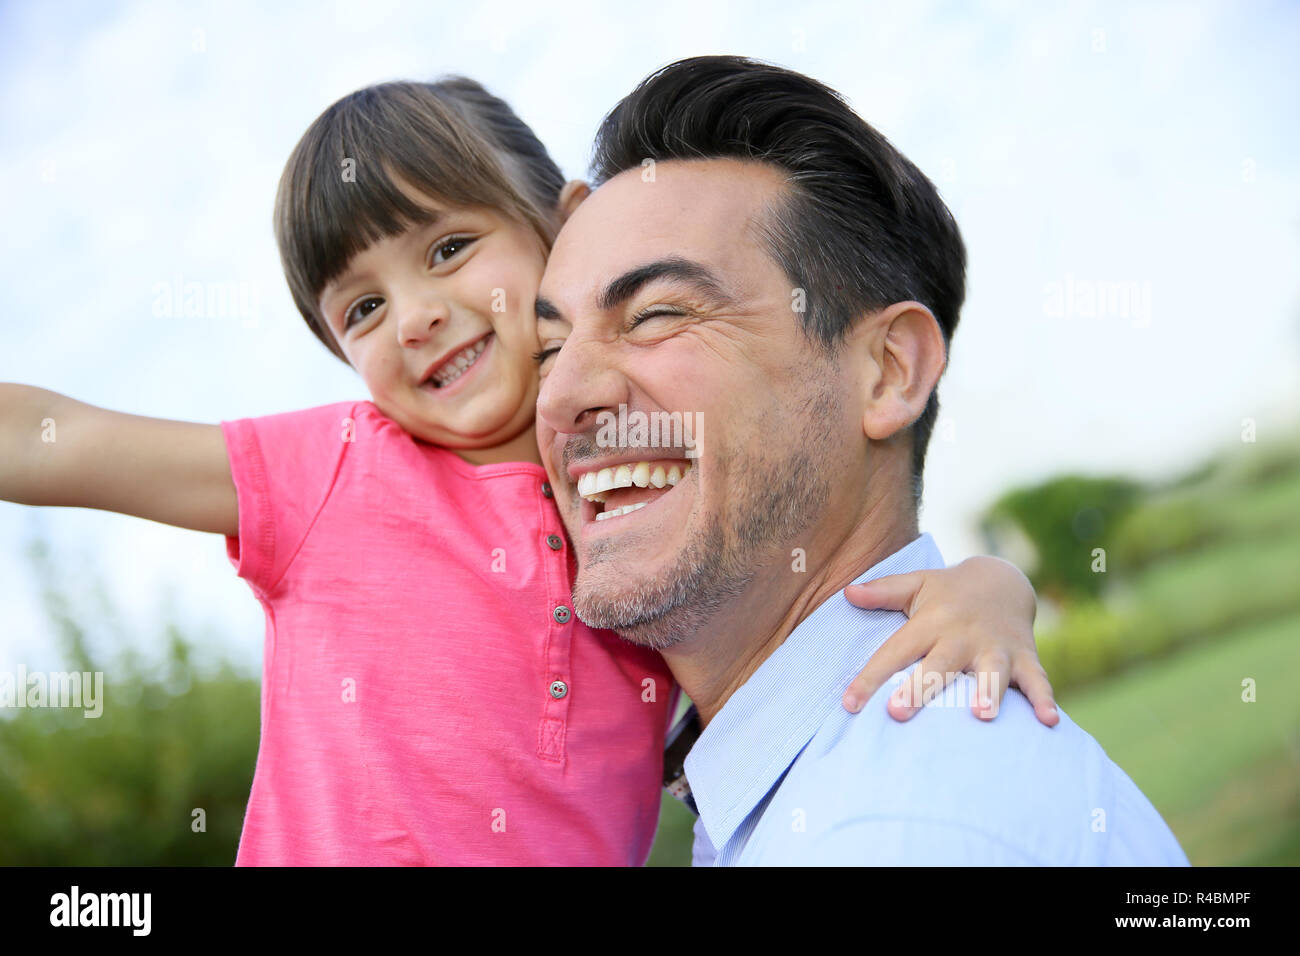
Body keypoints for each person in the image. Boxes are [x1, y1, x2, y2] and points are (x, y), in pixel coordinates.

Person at [1, 77, 1052, 866]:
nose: (414, 316)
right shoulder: (334, 470)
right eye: (359, 309)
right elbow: (67, 437)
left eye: (449, 247)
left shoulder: (628, 526)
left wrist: (992, 591)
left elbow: (795, 630)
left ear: (559, 228)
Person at [533, 56, 1189, 865]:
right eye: (548, 346)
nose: (561, 396)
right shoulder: (824, 795)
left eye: (658, 313)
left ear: (888, 371)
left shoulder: (895, 834)